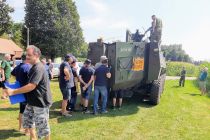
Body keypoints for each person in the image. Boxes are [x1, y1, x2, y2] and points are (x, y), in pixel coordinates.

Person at [5, 45, 52, 140]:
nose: (27, 57)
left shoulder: (38, 68)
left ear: (37, 55)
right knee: (27, 121)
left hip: (40, 103)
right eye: (27, 54)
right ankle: (33, 138)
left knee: (43, 129)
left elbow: (31, 86)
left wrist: (13, 92)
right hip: (31, 102)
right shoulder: (33, 67)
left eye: (29, 55)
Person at [11, 53, 31, 135]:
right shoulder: (27, 67)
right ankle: (26, 131)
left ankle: (20, 127)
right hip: (27, 91)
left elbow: (12, 74)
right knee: (28, 111)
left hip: (20, 90)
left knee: (22, 110)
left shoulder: (18, 67)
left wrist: (18, 80)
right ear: (27, 58)